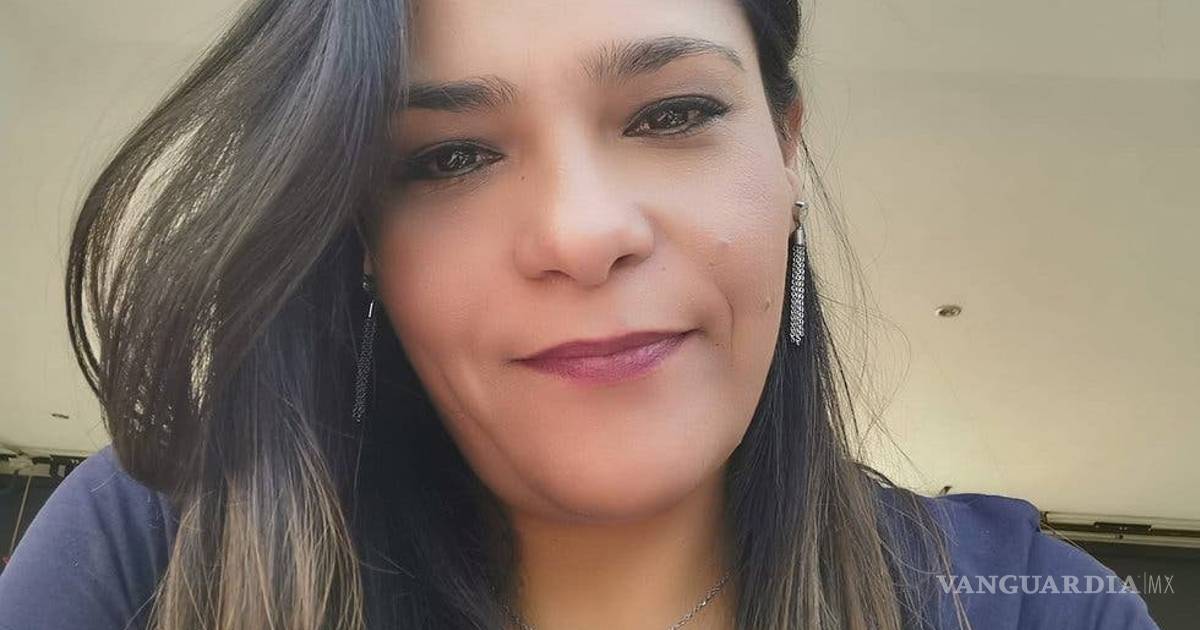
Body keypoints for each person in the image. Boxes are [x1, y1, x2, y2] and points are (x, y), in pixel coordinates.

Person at [0, 1, 1162, 629]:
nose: (580, 232)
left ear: (786, 148)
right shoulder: (166, 548)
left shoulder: (1027, 610)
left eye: (671, 114)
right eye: (450, 155)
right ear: (362, 236)